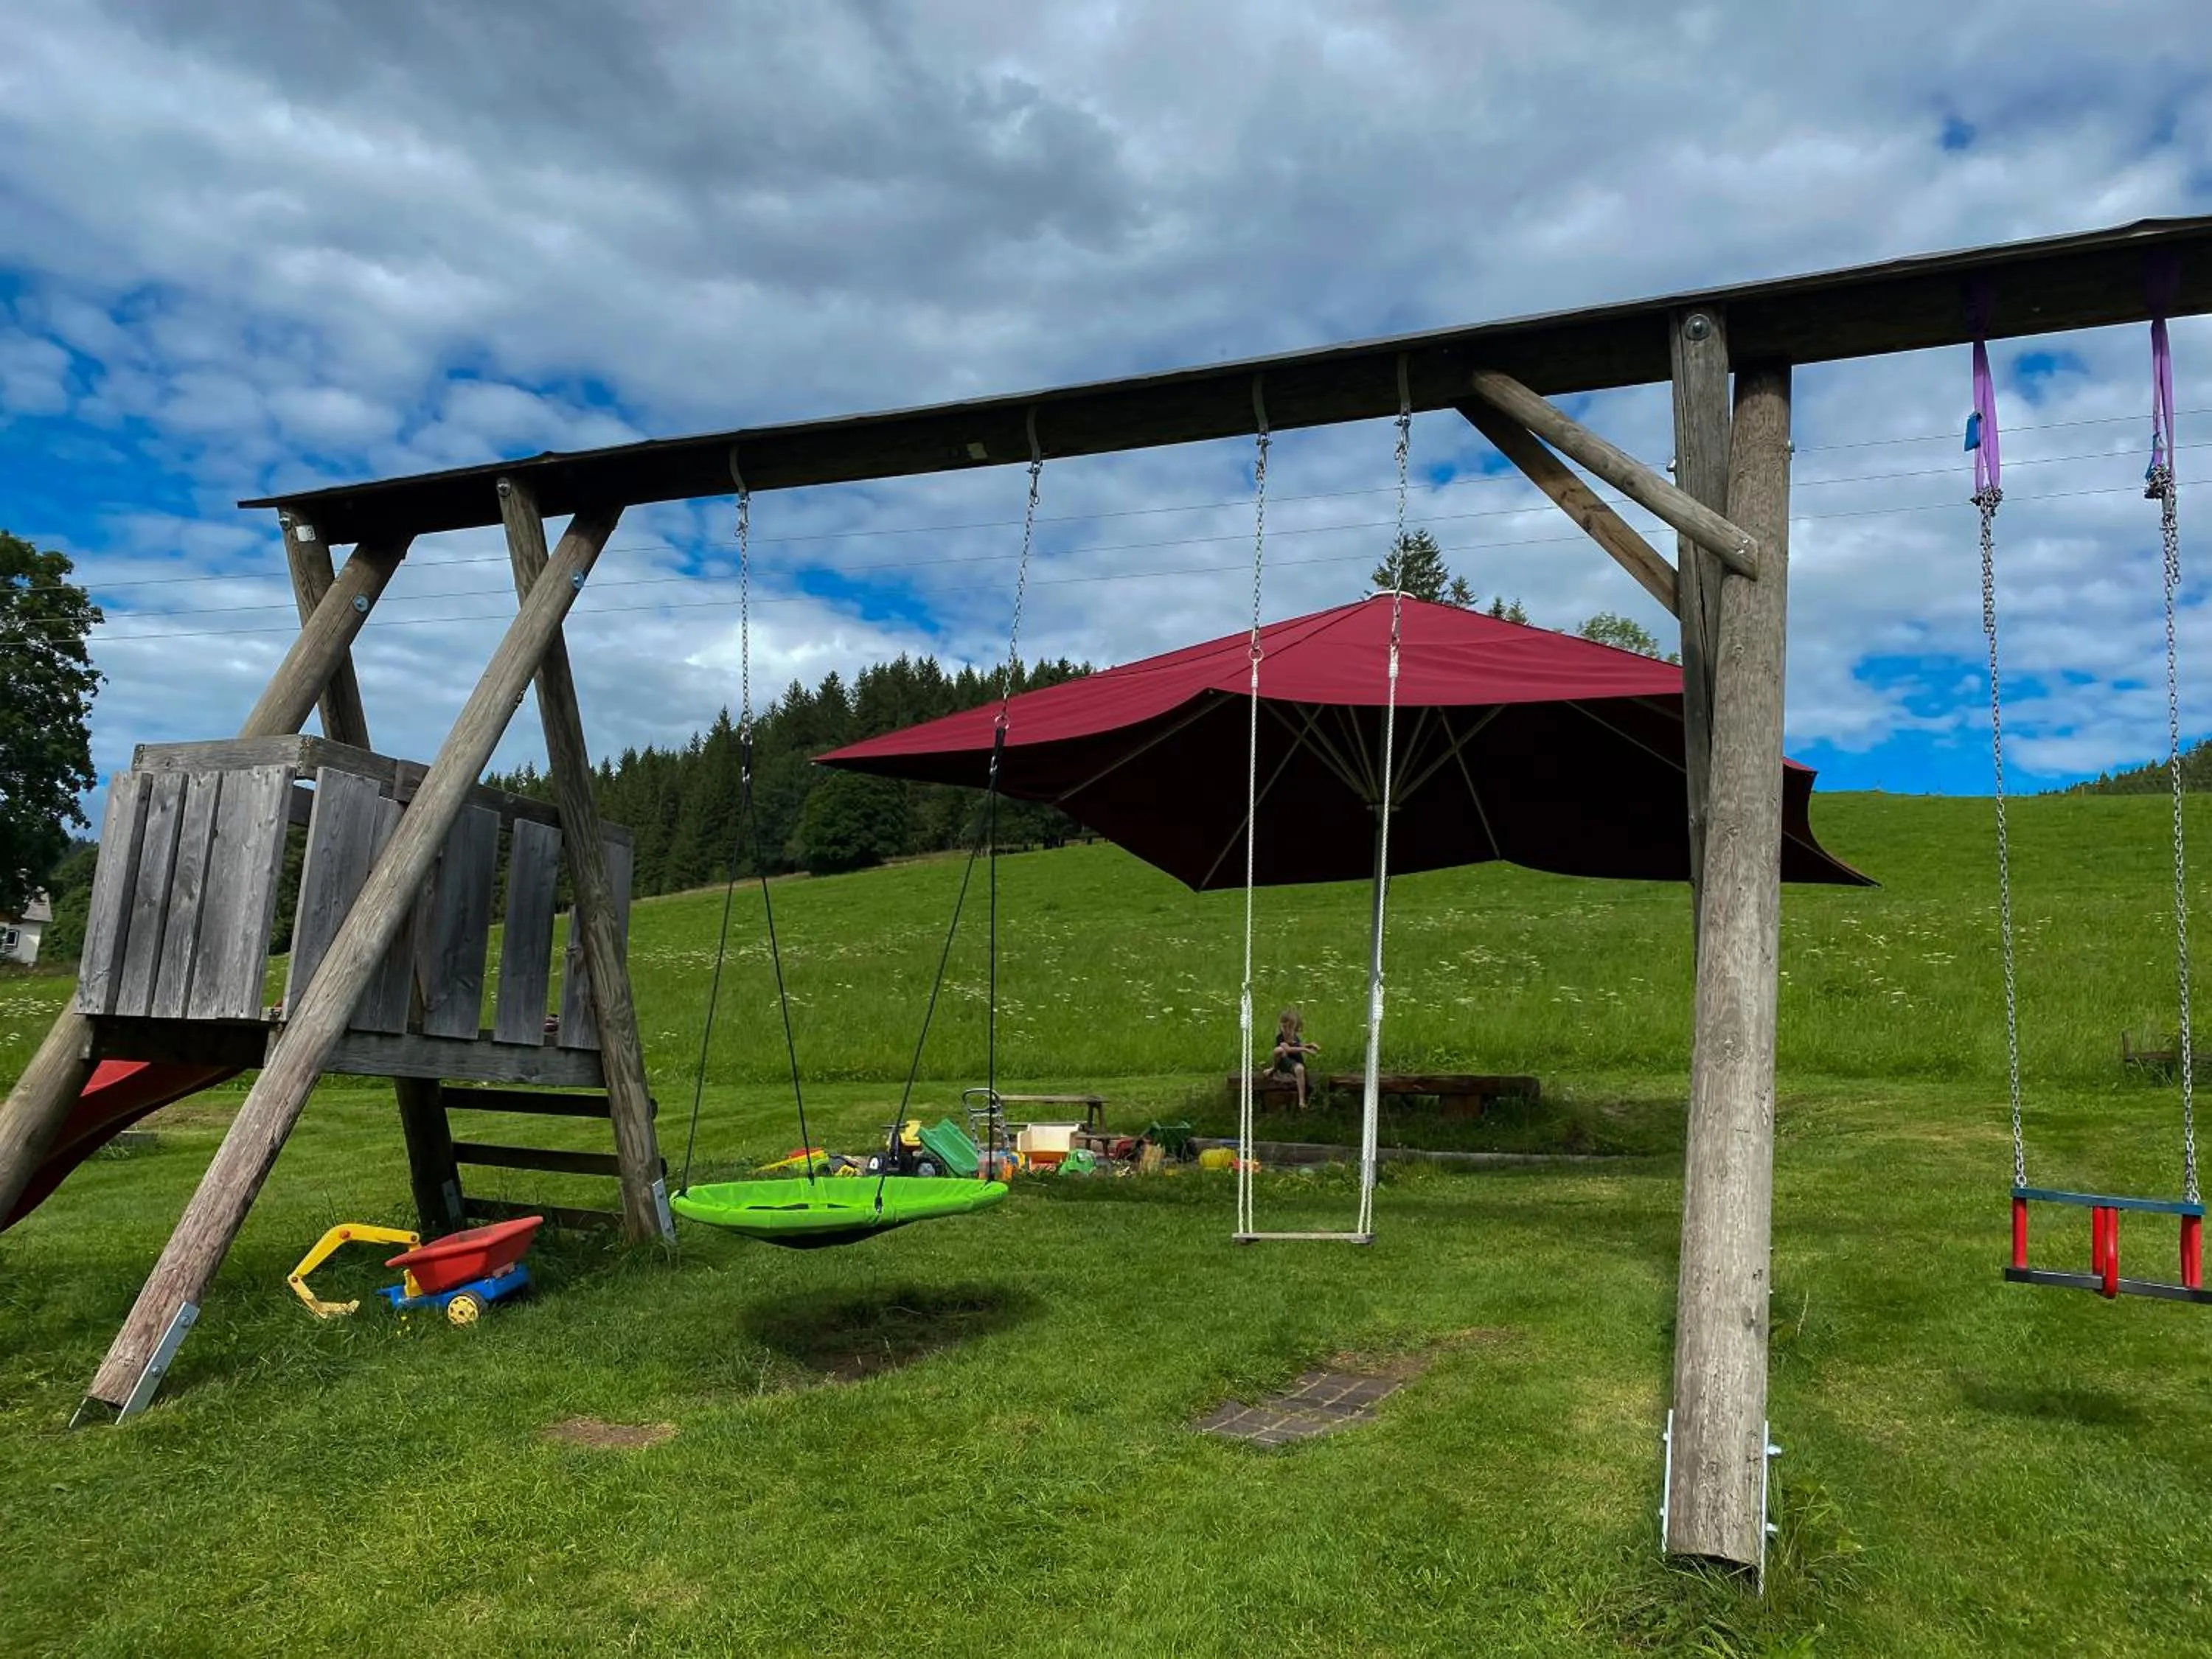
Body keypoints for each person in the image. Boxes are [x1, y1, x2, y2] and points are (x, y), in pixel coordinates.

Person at [1270, 1007, 1319, 1109]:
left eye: (1290, 1028)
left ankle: (1302, 1101)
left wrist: (1309, 1045)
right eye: (1284, 1027)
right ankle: (1273, 1068)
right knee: (1278, 1050)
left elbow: (1297, 1045)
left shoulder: (1294, 1037)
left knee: (1300, 1069)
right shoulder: (1280, 1038)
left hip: (1295, 1062)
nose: (1287, 1031)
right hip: (1284, 1061)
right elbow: (1288, 1049)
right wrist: (1305, 1050)